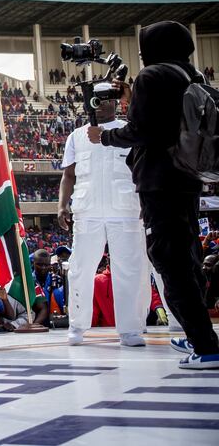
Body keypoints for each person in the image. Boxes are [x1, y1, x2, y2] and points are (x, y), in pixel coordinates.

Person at [88, 21, 219, 369]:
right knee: (188, 257)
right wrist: (134, 99)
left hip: (159, 180)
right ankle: (197, 333)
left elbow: (142, 131)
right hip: (187, 178)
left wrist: (105, 137)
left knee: (169, 261)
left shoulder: (153, 76)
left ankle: (206, 346)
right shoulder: (191, 75)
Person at [59, 94, 147, 346]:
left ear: (115, 103)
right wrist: (61, 205)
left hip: (125, 209)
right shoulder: (76, 135)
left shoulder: (128, 131)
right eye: (94, 100)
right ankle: (77, 325)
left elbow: (141, 167)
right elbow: (68, 174)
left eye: (106, 100)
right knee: (80, 268)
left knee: (128, 270)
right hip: (87, 210)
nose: (99, 105)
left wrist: (144, 200)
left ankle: (130, 329)